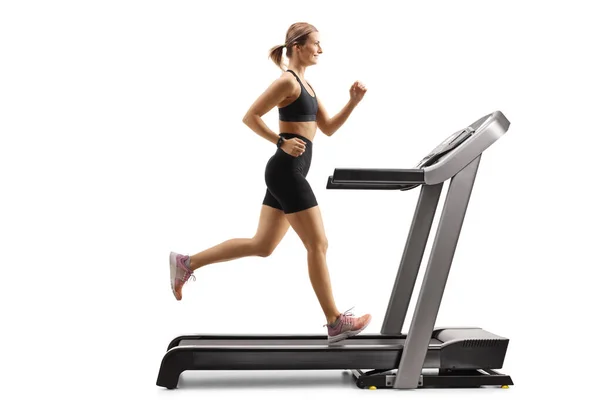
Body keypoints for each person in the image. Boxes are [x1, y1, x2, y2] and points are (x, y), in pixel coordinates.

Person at [169, 22, 371, 344]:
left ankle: (186, 262)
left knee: (262, 245)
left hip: (290, 172)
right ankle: (335, 321)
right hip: (286, 171)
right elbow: (250, 116)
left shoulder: (307, 86)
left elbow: (329, 128)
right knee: (317, 244)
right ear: (297, 46)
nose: (321, 50)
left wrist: (353, 101)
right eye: (316, 43)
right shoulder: (286, 82)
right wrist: (280, 141)